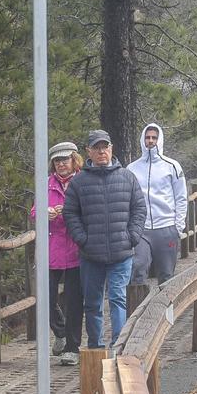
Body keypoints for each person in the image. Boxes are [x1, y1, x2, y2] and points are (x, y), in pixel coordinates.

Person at [62, 129, 146, 352]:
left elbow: (139, 208)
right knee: (92, 302)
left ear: (111, 149)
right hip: (91, 254)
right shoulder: (79, 182)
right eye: (97, 148)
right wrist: (82, 239)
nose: (101, 152)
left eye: (105, 147)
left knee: (118, 298)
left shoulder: (127, 177)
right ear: (88, 151)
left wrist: (132, 236)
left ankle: (118, 345)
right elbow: (70, 213)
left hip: (121, 252)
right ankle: (95, 347)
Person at [32, 142, 84, 366]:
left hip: (76, 250)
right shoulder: (46, 184)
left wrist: (71, 212)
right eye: (57, 161)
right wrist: (45, 213)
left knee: (74, 301)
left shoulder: (83, 182)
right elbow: (34, 212)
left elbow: (91, 210)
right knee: (46, 298)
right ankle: (61, 332)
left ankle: (72, 348)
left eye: (65, 159)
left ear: (74, 159)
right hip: (51, 250)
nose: (61, 164)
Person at [128, 123, 187, 285]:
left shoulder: (173, 166)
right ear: (142, 140)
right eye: (147, 137)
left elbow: (181, 197)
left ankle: (165, 311)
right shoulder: (132, 168)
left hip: (166, 228)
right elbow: (128, 200)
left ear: (159, 140)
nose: (151, 141)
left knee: (166, 276)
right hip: (141, 229)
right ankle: (137, 310)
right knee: (137, 269)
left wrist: (178, 227)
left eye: (154, 137)